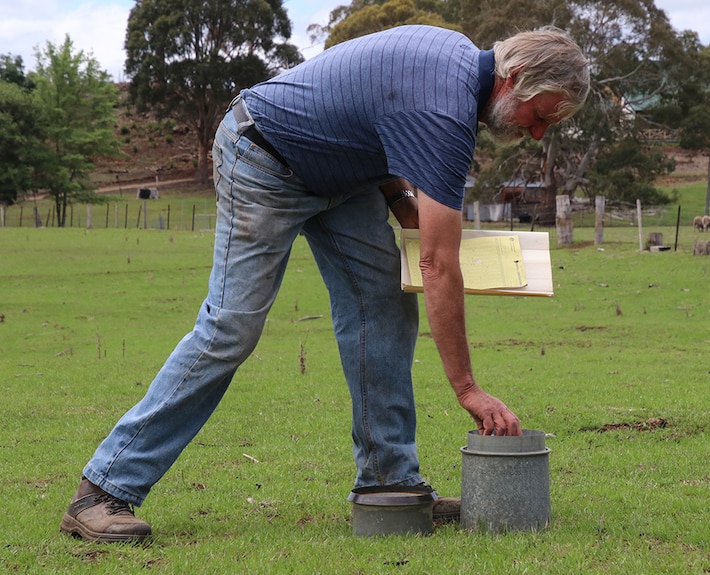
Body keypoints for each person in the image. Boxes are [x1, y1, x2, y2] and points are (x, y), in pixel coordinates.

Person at [60, 24, 590, 543]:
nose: (537, 131)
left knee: (384, 304)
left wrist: (401, 201)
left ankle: (391, 484)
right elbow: (437, 264)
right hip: (264, 156)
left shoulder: (452, 65)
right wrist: (467, 389)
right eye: (539, 114)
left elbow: (367, 113)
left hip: (341, 176)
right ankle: (102, 489)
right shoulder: (445, 108)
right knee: (230, 329)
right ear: (514, 76)